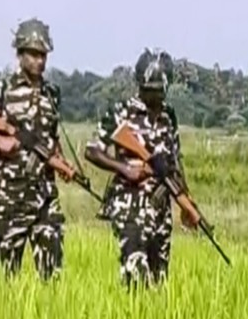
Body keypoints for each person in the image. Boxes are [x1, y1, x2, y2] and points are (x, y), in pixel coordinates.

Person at [84, 48, 199, 287]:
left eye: (159, 91)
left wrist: (185, 200)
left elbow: (175, 161)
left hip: (160, 209)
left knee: (159, 280)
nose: (154, 96)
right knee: (136, 275)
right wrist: (124, 169)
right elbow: (92, 151)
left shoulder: (169, 116)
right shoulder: (122, 112)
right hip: (130, 206)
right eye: (149, 90)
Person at [0, 19, 67, 279]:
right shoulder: (1, 89)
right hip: (9, 195)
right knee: (5, 276)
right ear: (20, 53)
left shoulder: (51, 93)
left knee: (52, 274)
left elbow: (51, 135)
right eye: (34, 54)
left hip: (44, 194)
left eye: (43, 55)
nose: (39, 61)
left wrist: (59, 160)